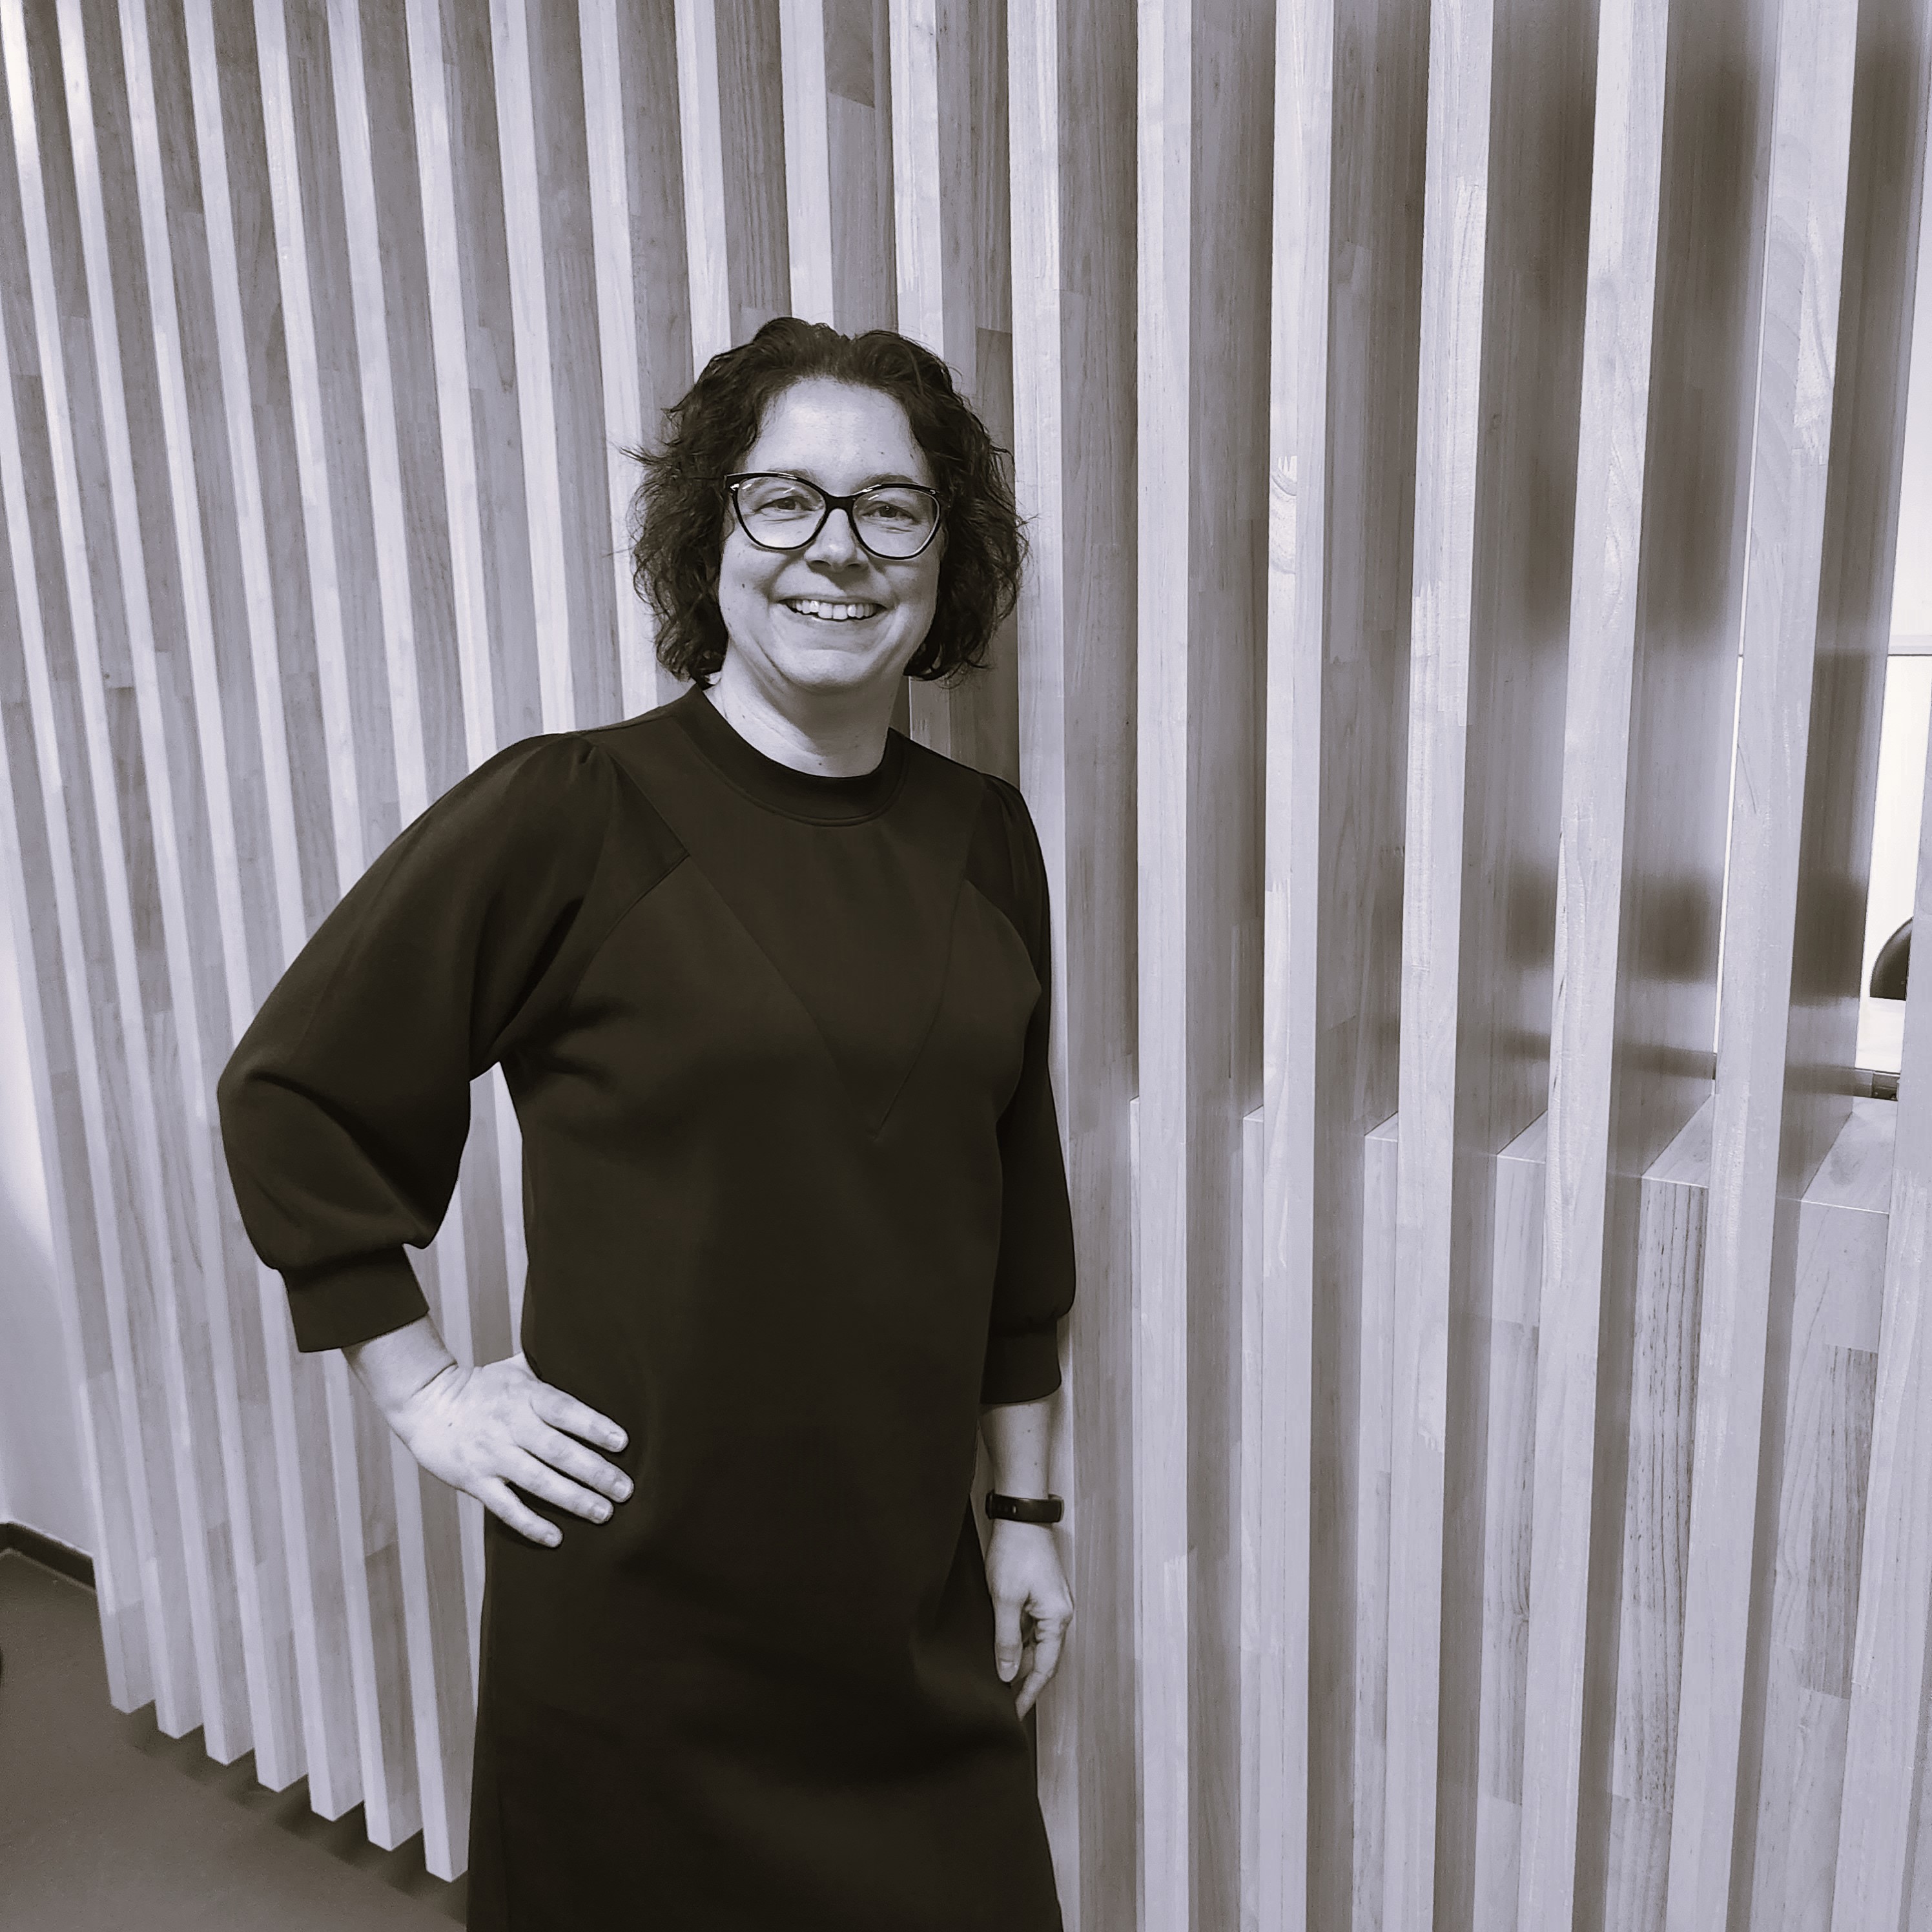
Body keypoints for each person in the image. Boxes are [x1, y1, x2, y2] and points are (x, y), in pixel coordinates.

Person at [216, 317, 1077, 1931]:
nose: (837, 548)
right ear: (708, 532)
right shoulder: (571, 811)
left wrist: (1022, 1510)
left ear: (943, 553)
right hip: (637, 1616)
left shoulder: (986, 838)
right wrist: (421, 1388)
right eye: (784, 500)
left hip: (901, 1603)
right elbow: (298, 1087)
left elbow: (1015, 1203)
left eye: (891, 507)